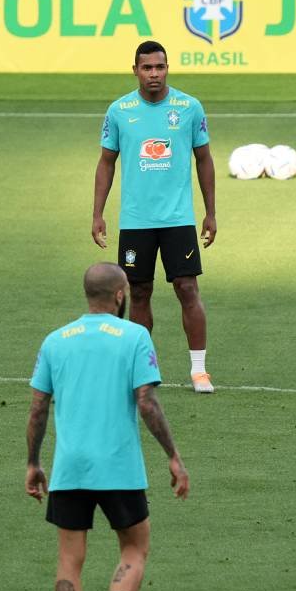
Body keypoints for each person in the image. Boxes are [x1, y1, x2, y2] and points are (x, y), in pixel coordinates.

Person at [24, 262, 190, 591]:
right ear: (120, 295)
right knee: (134, 550)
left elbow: (38, 407)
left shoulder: (55, 341)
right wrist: (173, 455)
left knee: (69, 562)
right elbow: (147, 403)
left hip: (70, 469)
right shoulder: (135, 336)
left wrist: (33, 462)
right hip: (120, 469)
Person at [92, 40, 217, 393]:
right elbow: (106, 163)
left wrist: (210, 212)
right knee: (140, 292)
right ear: (135, 70)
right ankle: (143, 368)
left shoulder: (188, 108)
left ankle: (199, 371)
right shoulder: (119, 111)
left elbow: (204, 159)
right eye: (147, 68)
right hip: (136, 221)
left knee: (187, 287)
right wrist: (98, 214)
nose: (154, 74)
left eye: (160, 67)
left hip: (178, 218)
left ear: (167, 69)